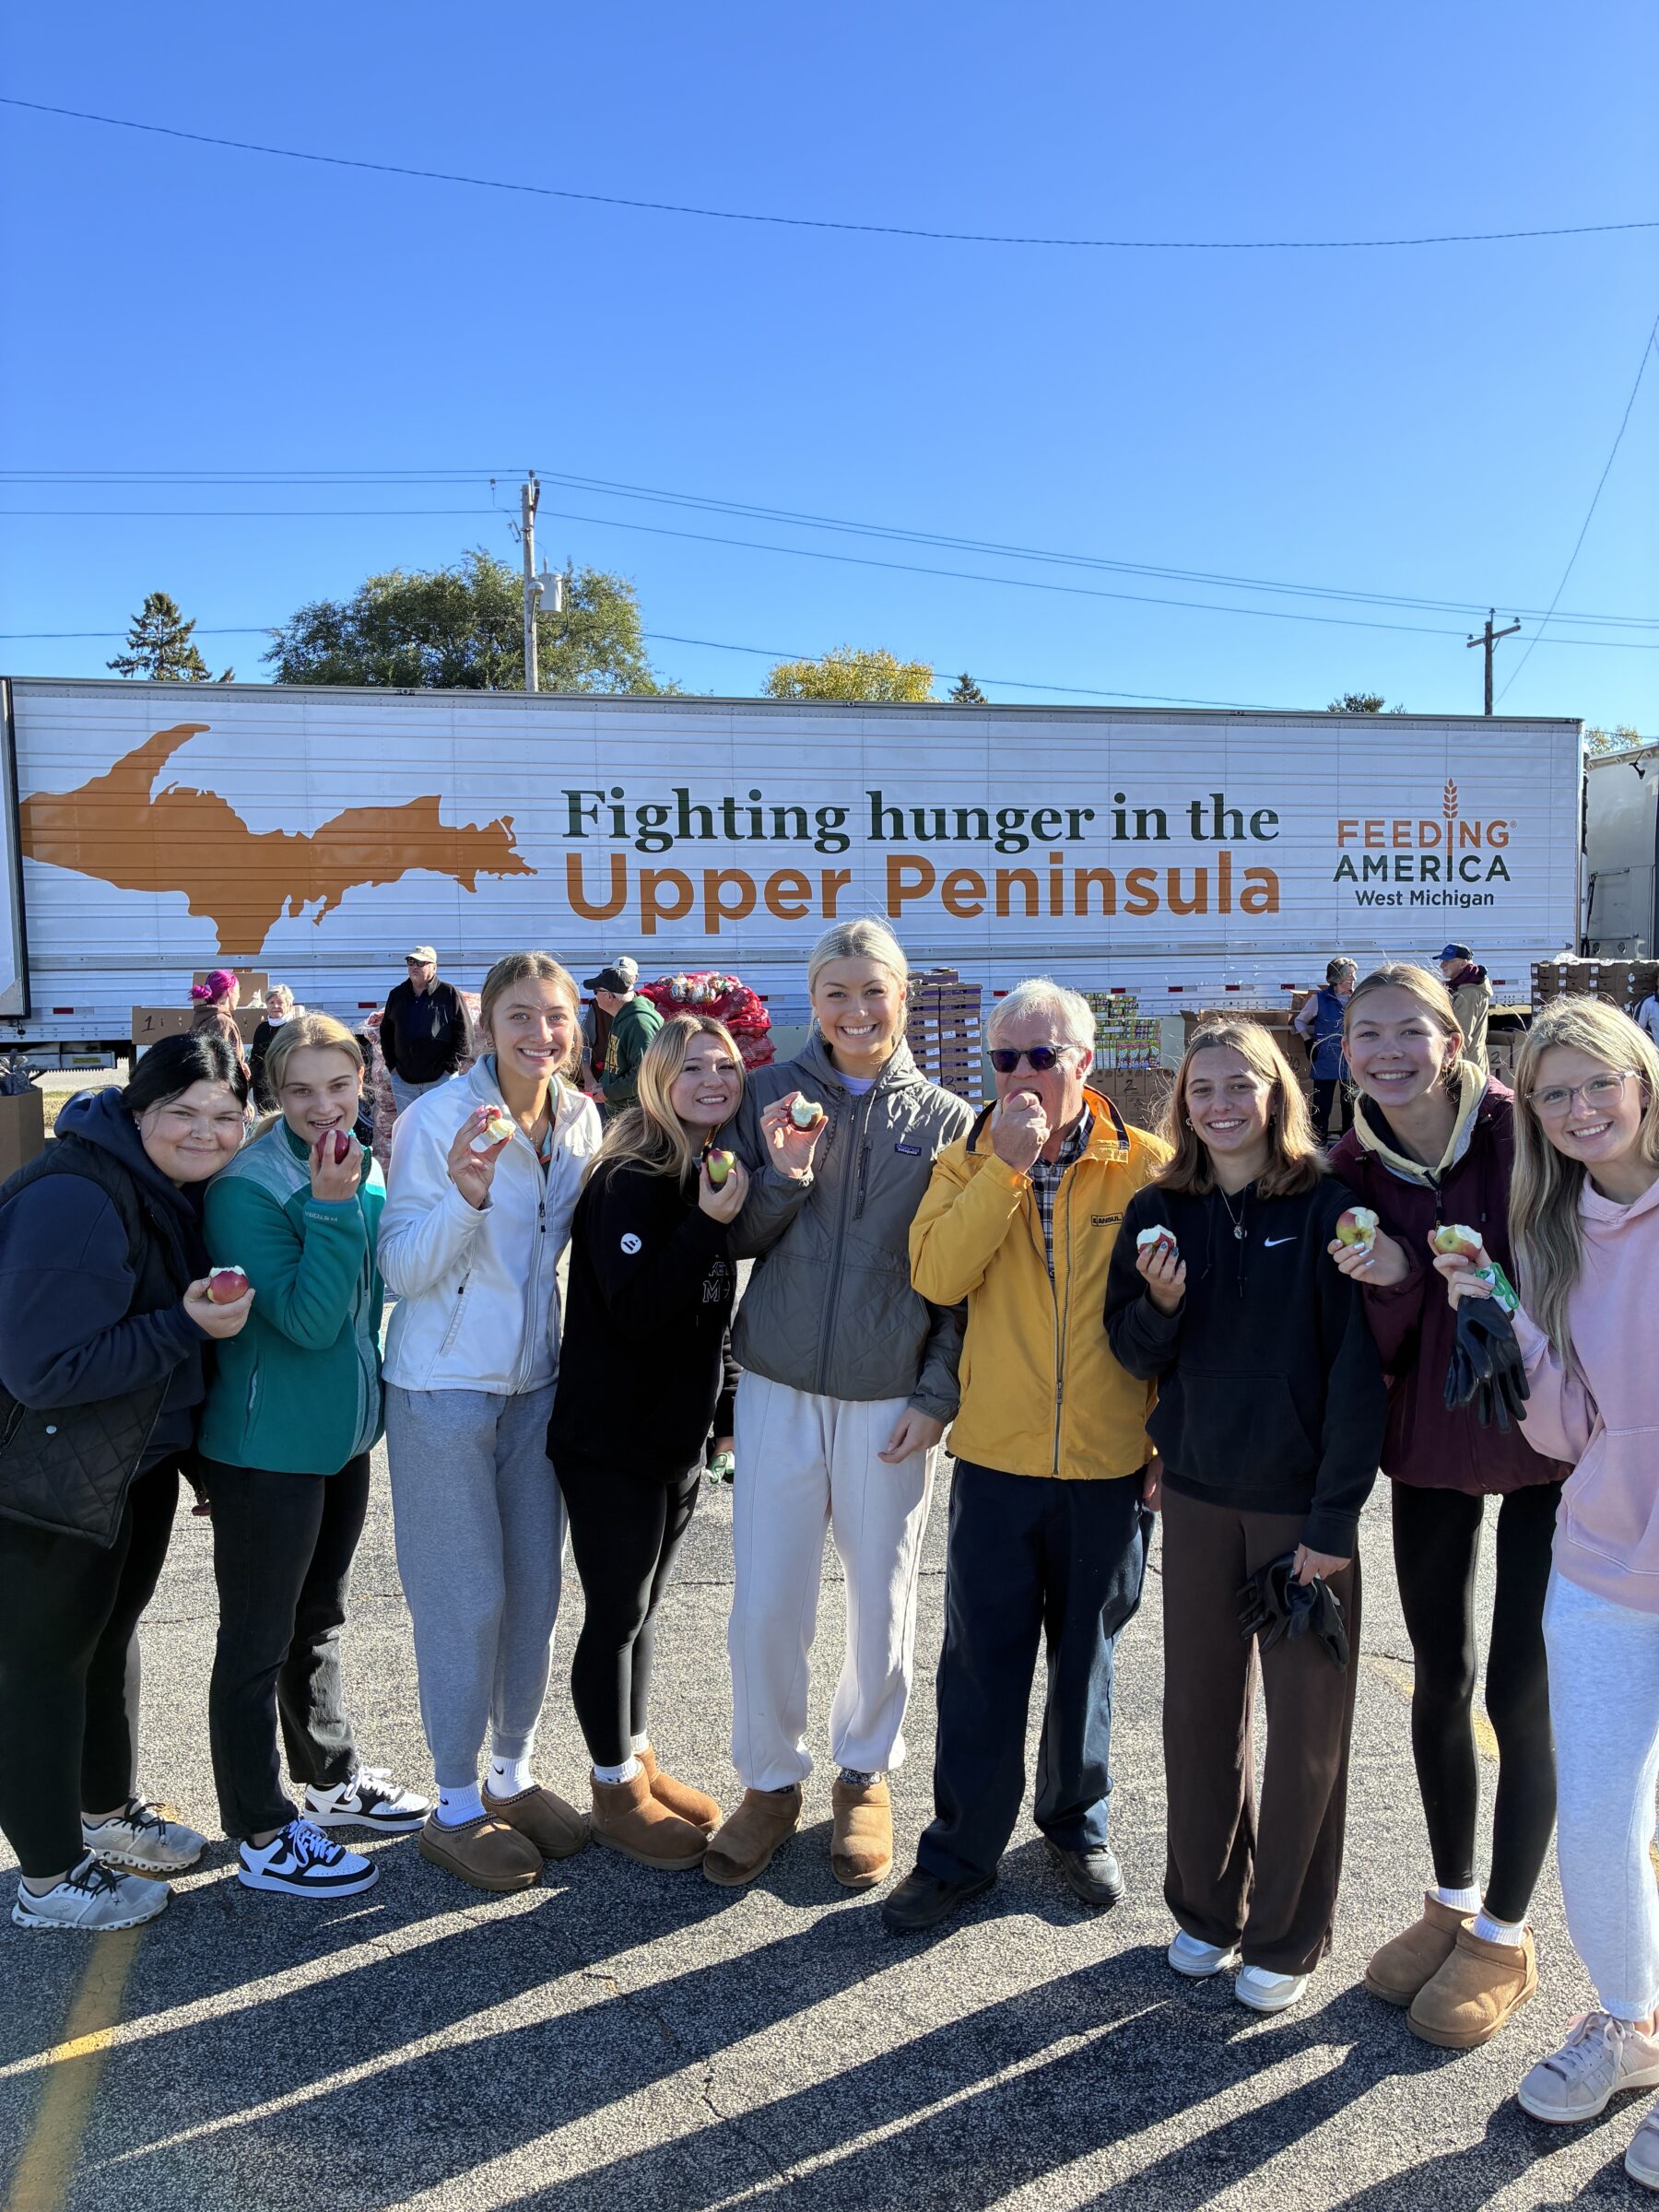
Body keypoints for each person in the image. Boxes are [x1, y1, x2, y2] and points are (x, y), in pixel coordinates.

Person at [1106, 1020, 1386, 2014]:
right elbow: (1132, 1353)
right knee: (1197, 1715)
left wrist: (1333, 1524)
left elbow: (1360, 1379)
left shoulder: (1328, 1211)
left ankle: (1286, 1935)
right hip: (1195, 1494)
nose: (1220, 1104)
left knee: (1307, 1725)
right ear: (1181, 1103)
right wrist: (1164, 1307)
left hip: (1300, 1513)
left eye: (1242, 1085)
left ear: (1278, 1096)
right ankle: (1206, 1910)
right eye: (1202, 1088)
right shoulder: (1158, 1208)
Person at [884, 977, 1168, 1934]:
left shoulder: (1148, 1168)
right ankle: (961, 1852)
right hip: (999, 1457)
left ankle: (1074, 1823)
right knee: (981, 1663)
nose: (1022, 1075)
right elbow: (936, 1274)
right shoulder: (968, 1160)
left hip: (1109, 1458)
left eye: (1042, 1057)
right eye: (1005, 1058)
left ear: (1083, 1064)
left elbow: (1181, 1318)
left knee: (1087, 1655)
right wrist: (1006, 1169)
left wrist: (1165, 1436)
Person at [1435, 1001, 1659, 2186]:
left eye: (1597, 1085)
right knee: (1603, 1824)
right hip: (1603, 1566)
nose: (1579, 1112)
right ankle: (1629, 2024)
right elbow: (1568, 1428)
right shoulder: (1557, 1228)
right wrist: (1505, 1314)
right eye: (1555, 1093)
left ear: (1642, 1079)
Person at [703, 918, 972, 1892]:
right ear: (811, 1003)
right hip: (776, 1382)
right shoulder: (767, 1095)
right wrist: (781, 1175)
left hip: (888, 1396)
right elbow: (731, 1238)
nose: (856, 1012)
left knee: (880, 1597)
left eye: (874, 991)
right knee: (767, 1601)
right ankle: (770, 1783)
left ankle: (864, 1775)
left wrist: (937, 1394)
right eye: (837, 994)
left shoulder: (949, 1121)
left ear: (903, 998)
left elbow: (962, 1280)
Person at [1328, 964, 1566, 2049]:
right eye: (1363, 1032)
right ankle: (1453, 1900)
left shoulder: (1529, 1133)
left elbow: (1590, 1262)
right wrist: (1392, 1281)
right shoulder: (1347, 1168)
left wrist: (1500, 1291)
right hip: (1427, 1449)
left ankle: (1508, 1937)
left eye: (1406, 1032)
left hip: (1556, 1446)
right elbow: (1361, 1347)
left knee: (1521, 1689)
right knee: (1441, 1676)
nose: (1385, 1051)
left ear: (1453, 1038)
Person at [0, 1035, 252, 1932]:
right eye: (182, 1110)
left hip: (123, 1468)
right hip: (42, 1483)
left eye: (225, 1114)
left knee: (104, 1646)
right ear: (137, 1109)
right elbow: (45, 1370)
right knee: (40, 1670)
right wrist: (184, 1326)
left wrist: (193, 1458)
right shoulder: (76, 1195)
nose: (205, 1131)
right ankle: (46, 1879)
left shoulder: (153, 1187)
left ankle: (103, 1818)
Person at [379, 951, 601, 1893]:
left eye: (554, 1017)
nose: (538, 1033)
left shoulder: (583, 1118)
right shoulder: (437, 1120)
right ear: (487, 1025)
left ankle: (512, 1771)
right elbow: (399, 1271)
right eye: (519, 1015)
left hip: (535, 1386)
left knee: (535, 1593)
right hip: (442, 1387)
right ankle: (455, 1800)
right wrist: (469, 1193)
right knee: (463, 1600)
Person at [197, 1015, 428, 1900]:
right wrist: (333, 1211)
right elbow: (306, 1320)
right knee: (255, 1641)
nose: (322, 1106)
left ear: (363, 1082)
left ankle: (329, 1784)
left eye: (339, 1086)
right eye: (300, 1091)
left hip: (339, 1440)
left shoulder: (356, 1159)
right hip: (266, 1451)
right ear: (271, 1091)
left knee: (320, 1618)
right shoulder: (247, 1189)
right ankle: (260, 1827)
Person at [551, 1016, 747, 1868]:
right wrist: (707, 1223)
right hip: (612, 1442)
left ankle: (636, 1757)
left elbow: (711, 1311)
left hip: (678, 1441)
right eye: (693, 1067)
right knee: (614, 1616)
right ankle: (610, 1790)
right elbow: (635, 1310)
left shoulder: (708, 1167)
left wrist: (725, 1413)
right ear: (658, 1080)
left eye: (726, 1065)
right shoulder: (629, 1177)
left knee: (644, 1614)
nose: (713, 1079)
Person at [381, 946, 469, 1117]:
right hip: (404, 1083)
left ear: (434, 967)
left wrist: (449, 1069)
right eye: (411, 962)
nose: (414, 966)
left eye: (421, 963)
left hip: (440, 1081)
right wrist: (392, 1067)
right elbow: (386, 1032)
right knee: (409, 1131)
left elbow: (464, 1033)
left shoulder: (448, 993)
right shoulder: (397, 994)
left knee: (441, 1129)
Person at [1294, 958, 1357, 1144]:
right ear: (1337, 978)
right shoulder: (1318, 999)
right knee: (1322, 1107)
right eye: (1349, 974)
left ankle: (1349, 1147)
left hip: (1351, 1061)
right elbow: (1299, 1021)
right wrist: (1308, 1040)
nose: (1354, 978)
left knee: (1351, 1108)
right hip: (1325, 1061)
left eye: (1354, 973)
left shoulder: (1359, 999)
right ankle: (1318, 1148)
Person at [588, 963, 663, 1118]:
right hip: (621, 1110)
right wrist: (605, 1084)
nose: (594, 996)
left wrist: (608, 1092)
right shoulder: (624, 1017)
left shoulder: (639, 1023)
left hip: (634, 1118)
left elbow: (644, 1074)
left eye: (596, 991)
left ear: (609, 996)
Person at [580, 953, 636, 1091]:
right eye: (615, 973)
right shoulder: (598, 1008)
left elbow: (641, 1070)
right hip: (601, 1084)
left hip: (625, 1094)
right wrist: (588, 1076)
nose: (620, 978)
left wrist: (611, 1091)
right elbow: (583, 1044)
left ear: (635, 978)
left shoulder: (641, 1015)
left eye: (625, 975)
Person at [248, 983, 301, 1113]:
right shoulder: (262, 1029)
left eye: (280, 1002)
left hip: (286, 1089)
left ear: (289, 1005)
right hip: (262, 1092)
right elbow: (255, 1061)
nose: (275, 1006)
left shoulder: (295, 1028)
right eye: (271, 1002)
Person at [1439, 944, 1491, 1072]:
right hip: (1465, 1063)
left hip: (1467, 1067)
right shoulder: (1461, 988)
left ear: (1463, 963)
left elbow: (1463, 1036)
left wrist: (1447, 1063)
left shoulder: (1469, 993)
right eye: (1442, 961)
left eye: (1447, 961)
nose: (1442, 966)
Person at [190, 968, 249, 1082]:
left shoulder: (203, 1016)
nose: (239, 997)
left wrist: (241, 1064)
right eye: (237, 991)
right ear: (229, 992)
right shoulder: (222, 1022)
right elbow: (223, 1064)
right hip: (220, 1090)